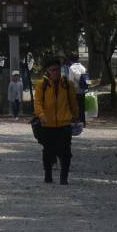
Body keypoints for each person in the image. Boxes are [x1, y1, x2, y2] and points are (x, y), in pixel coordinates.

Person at [33, 54, 81, 184]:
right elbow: (37, 103)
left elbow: (73, 102)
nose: (56, 72)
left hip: (64, 123)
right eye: (53, 70)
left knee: (65, 152)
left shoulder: (67, 84)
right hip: (47, 124)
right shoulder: (41, 85)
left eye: (58, 69)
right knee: (47, 151)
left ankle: (64, 177)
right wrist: (41, 115)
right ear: (47, 71)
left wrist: (76, 117)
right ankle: (48, 174)